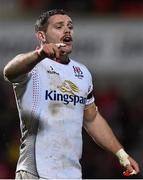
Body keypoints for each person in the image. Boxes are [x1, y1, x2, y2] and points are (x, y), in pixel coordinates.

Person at [3, 9, 139, 179]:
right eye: (59, 26)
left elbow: (91, 118)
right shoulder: (33, 67)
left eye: (70, 26)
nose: (67, 30)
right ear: (41, 36)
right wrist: (40, 54)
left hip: (71, 174)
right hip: (36, 171)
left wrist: (121, 154)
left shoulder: (82, 73)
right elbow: (9, 72)